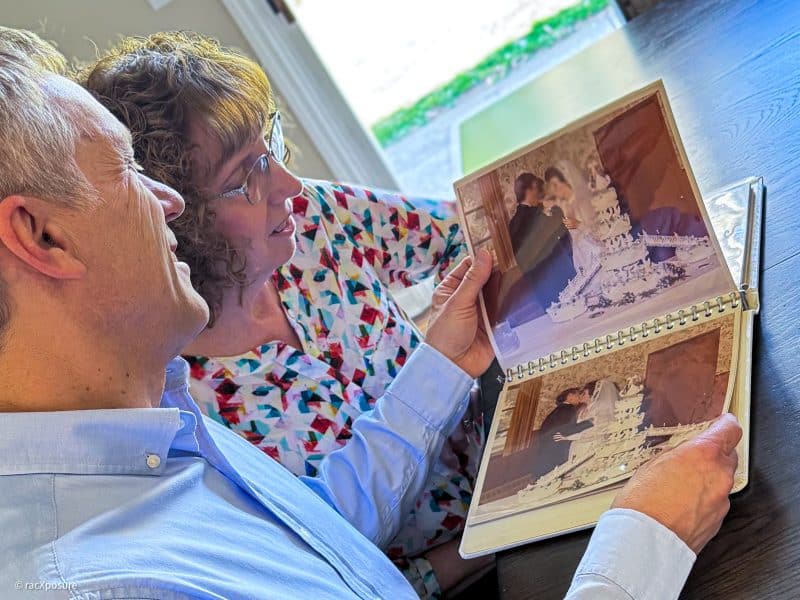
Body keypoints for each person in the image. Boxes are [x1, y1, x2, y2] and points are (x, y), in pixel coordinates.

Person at [0, 30, 742, 600]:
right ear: (40, 235)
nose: (164, 201)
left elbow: (325, 529)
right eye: (127, 171)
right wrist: (640, 545)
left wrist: (444, 359)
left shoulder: (152, 418)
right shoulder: (99, 577)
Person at [79, 32, 477, 595]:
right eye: (246, 177)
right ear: (174, 221)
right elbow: (316, 561)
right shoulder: (182, 400)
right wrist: (465, 558)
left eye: (272, 146)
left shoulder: (309, 219)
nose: (288, 185)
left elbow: (469, 236)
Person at [509, 172, 576, 309]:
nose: (539, 193)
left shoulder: (514, 223)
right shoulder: (533, 217)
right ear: (530, 189)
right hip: (557, 280)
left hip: (542, 286)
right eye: (536, 189)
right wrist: (554, 210)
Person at [545, 161, 603, 275]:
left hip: (596, 253)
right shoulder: (564, 206)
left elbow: (598, 232)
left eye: (555, 184)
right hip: (580, 257)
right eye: (551, 186)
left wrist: (578, 225)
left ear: (567, 181)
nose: (554, 190)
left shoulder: (583, 201)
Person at [532, 387, 594, 479]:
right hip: (555, 449)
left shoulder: (560, 409)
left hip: (549, 447)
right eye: (577, 395)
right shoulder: (567, 409)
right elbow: (567, 429)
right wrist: (589, 422)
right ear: (570, 396)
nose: (579, 398)